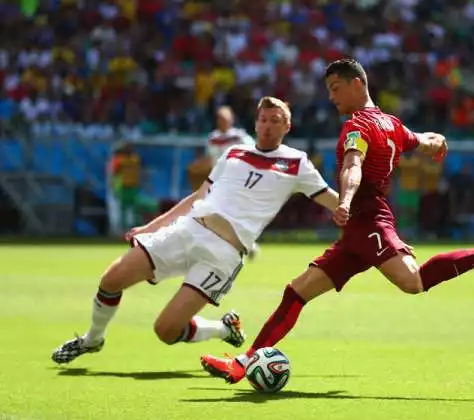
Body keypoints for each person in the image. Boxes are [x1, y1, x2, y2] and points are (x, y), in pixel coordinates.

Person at [200, 59, 474, 383]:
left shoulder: (357, 127)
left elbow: (353, 166)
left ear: (357, 84)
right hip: (356, 231)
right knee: (297, 291)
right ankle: (243, 363)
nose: (331, 95)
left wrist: (346, 201)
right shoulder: (391, 123)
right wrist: (437, 141)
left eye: (336, 87)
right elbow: (422, 140)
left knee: (413, 282)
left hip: (368, 221)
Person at [51, 97, 339, 364]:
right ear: (255, 122)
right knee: (112, 279)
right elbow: (199, 195)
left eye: (275, 120)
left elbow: (334, 202)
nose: (267, 125)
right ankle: (92, 339)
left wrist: (366, 215)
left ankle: (222, 329)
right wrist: (151, 226)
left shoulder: (297, 163)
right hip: (188, 229)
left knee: (165, 330)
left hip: (223, 255)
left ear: (287, 126)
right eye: (263, 119)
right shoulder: (234, 152)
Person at [207, 105, 260, 260]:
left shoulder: (240, 137)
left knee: (235, 214)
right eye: (220, 119)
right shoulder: (213, 138)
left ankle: (245, 244)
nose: (223, 121)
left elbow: (255, 152)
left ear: (231, 120)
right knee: (219, 214)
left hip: (238, 182)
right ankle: (242, 245)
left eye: (225, 118)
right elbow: (212, 162)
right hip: (219, 183)